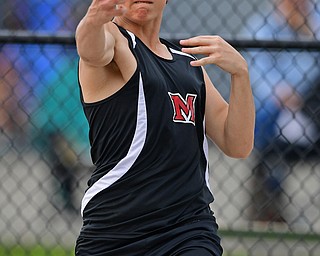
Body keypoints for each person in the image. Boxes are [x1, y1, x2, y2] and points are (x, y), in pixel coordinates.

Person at [74, 0, 255, 255]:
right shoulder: (114, 40)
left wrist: (241, 74)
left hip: (187, 230)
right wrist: (92, 19)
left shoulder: (188, 66)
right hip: (116, 231)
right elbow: (91, 50)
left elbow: (237, 144)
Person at [240, 0, 320, 222]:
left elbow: (312, 75)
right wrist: (284, 94)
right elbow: (259, 78)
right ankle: (269, 203)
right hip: (278, 109)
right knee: (268, 121)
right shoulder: (263, 27)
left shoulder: (315, 20)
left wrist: (309, 31)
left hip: (312, 104)